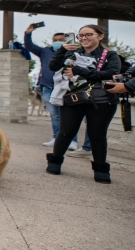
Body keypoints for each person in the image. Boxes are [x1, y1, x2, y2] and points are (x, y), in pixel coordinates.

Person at [46, 25, 120, 184]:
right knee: (66, 131)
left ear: (100, 36)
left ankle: (101, 169)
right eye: (80, 36)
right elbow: (53, 66)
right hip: (73, 97)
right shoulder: (71, 53)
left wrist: (79, 71)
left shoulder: (110, 55)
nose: (83, 38)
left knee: (97, 134)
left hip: (102, 100)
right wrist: (61, 50)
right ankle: (55, 161)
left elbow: (110, 74)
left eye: (88, 35)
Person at [24, 25, 89, 152]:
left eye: (61, 39)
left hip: (67, 88)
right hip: (48, 87)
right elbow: (29, 46)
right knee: (55, 116)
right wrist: (27, 33)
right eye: (55, 40)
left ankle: (72, 140)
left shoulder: (74, 52)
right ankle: (56, 137)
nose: (58, 41)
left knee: (69, 116)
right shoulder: (44, 51)